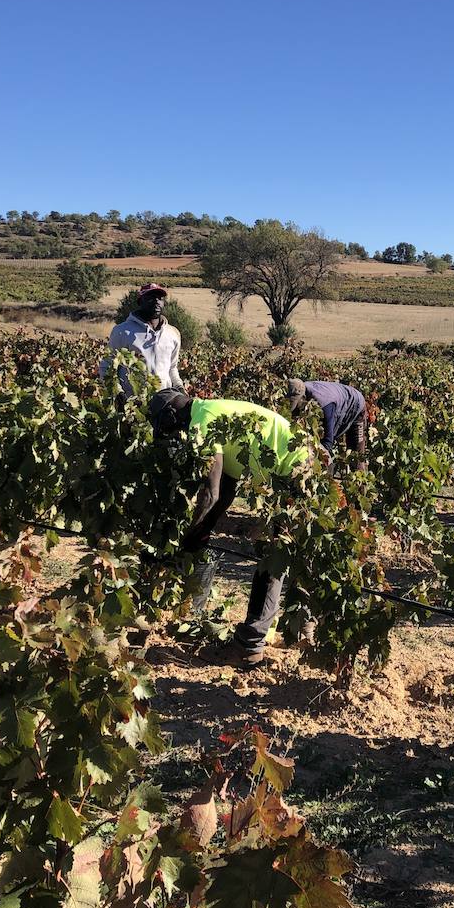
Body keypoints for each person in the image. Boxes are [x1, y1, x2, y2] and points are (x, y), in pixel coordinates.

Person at [149, 387, 306, 668]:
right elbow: (227, 487)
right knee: (289, 557)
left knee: (272, 560)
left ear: (172, 416)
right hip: (300, 466)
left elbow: (210, 495)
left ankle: (249, 647)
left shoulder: (201, 423)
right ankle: (304, 627)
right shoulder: (211, 409)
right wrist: (202, 533)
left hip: (299, 473)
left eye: (165, 429)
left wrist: (183, 542)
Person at [99, 283, 183, 394]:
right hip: (132, 404)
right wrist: (118, 393)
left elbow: (172, 368)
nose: (156, 301)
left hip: (164, 401)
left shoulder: (173, 334)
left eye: (160, 298)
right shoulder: (122, 331)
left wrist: (179, 387)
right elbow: (106, 366)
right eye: (150, 298)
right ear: (140, 302)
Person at [285, 378, 368, 460]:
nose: (295, 409)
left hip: (355, 403)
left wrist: (317, 460)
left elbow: (328, 441)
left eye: (296, 404)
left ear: (303, 398)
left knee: (356, 454)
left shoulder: (324, 404)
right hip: (338, 399)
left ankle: (360, 470)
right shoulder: (301, 388)